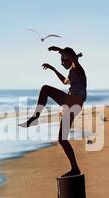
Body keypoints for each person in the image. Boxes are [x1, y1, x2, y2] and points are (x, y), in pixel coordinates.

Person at [19, 46, 87, 177]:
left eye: (63, 60)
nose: (61, 63)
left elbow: (73, 58)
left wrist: (59, 49)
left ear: (69, 58)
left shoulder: (77, 68)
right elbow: (65, 81)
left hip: (74, 101)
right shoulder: (72, 72)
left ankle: (35, 116)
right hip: (73, 105)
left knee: (45, 89)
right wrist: (52, 68)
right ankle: (75, 168)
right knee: (62, 139)